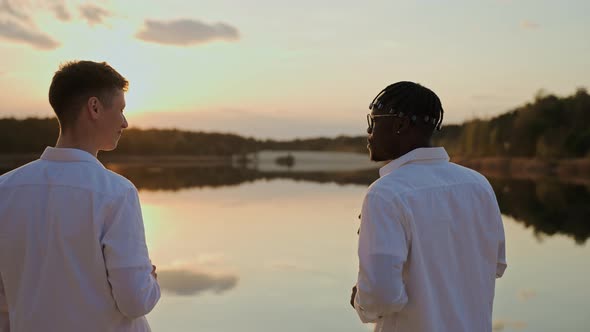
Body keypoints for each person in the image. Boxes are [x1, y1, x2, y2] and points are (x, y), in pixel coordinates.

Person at [0, 61, 160, 332]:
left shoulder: (5, 188)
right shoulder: (116, 193)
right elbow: (135, 301)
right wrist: (150, 281)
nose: (125, 122)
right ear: (94, 107)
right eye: (120, 109)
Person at [351, 81, 507, 332]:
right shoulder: (479, 185)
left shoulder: (385, 195)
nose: (368, 132)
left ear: (399, 124)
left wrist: (360, 300)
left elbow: (381, 296)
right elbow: (495, 265)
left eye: (373, 121)